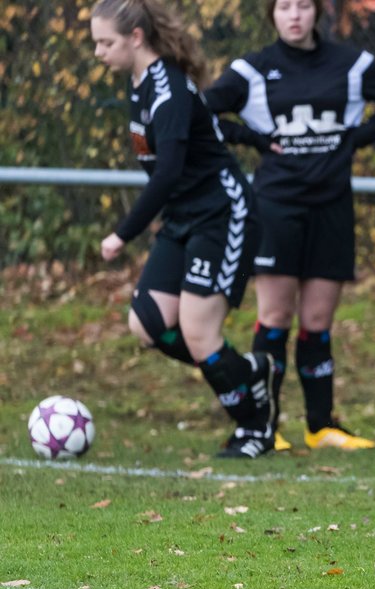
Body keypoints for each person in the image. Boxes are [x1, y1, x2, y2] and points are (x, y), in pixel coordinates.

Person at [203, 0, 375, 452]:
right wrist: (255, 139)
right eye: (284, 6)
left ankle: (320, 426)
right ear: (272, 14)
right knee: (274, 317)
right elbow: (203, 114)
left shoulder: (351, 64)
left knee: (318, 321)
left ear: (317, 11)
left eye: (303, 5)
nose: (294, 14)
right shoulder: (252, 69)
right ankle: (265, 426)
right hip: (276, 207)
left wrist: (356, 138)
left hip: (332, 206)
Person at [90, 0, 274, 459]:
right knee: (148, 325)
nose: (98, 52)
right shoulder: (139, 85)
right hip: (183, 218)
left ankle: (255, 427)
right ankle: (248, 371)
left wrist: (123, 232)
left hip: (222, 214)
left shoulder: (167, 88)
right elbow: (210, 127)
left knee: (197, 330)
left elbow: (169, 171)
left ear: (135, 38)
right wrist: (252, 137)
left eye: (105, 42)